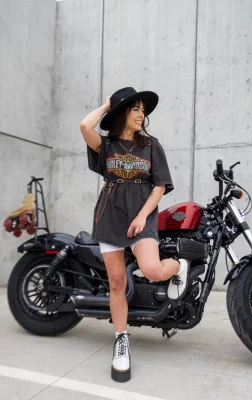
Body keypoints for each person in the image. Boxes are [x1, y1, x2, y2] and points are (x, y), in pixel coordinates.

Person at [80, 87, 189, 382]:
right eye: (135, 109)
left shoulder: (151, 145)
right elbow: (84, 126)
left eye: (143, 109)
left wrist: (142, 216)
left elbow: (160, 185)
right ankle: (121, 340)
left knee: (153, 269)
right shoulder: (107, 147)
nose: (142, 114)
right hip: (109, 216)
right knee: (116, 282)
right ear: (122, 113)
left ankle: (179, 267)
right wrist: (106, 106)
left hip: (141, 216)